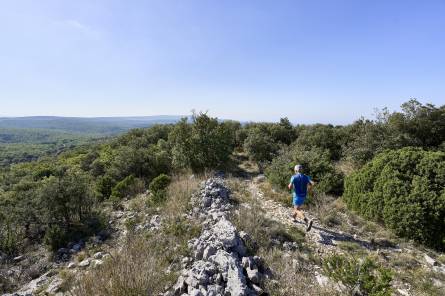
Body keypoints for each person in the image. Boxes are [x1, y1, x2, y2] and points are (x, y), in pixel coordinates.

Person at [288, 164, 315, 231]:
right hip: (304, 195)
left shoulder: (294, 177)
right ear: (301, 170)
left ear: (296, 170)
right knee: (297, 207)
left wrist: (290, 185)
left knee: (297, 210)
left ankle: (306, 221)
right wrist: (309, 189)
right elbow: (312, 183)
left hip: (297, 195)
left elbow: (290, 187)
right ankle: (293, 218)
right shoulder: (306, 177)